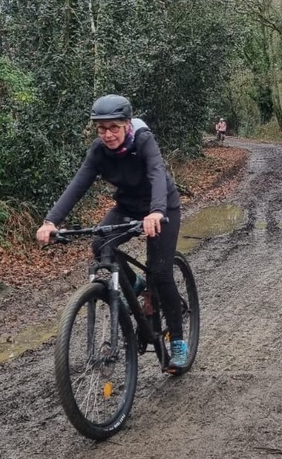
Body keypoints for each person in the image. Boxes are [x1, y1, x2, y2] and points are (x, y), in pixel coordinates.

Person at [36, 94, 188, 369]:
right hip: (127, 206)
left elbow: (156, 172)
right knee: (100, 244)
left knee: (161, 272)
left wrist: (156, 211)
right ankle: (135, 285)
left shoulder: (143, 141)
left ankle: (177, 341)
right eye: (102, 129)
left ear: (127, 124)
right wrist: (51, 221)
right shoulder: (98, 151)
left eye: (114, 128)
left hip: (162, 207)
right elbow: (78, 185)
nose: (107, 135)